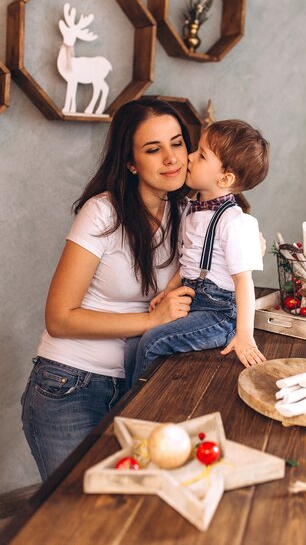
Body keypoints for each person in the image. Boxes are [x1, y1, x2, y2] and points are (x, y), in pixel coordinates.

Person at [21, 98, 197, 481]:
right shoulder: (103, 212)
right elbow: (59, 319)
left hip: (137, 382)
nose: (171, 158)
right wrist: (150, 319)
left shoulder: (186, 214)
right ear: (131, 162)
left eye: (177, 143)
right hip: (70, 385)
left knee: (123, 512)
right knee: (75, 521)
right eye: (154, 149)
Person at [125, 119, 270, 387]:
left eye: (201, 155)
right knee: (134, 342)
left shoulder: (236, 222)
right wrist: (168, 291)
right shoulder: (192, 211)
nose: (189, 156)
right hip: (193, 301)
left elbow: (243, 282)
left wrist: (244, 334)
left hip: (219, 314)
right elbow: (190, 263)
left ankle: (134, 408)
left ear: (225, 178)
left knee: (152, 341)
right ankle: (125, 402)